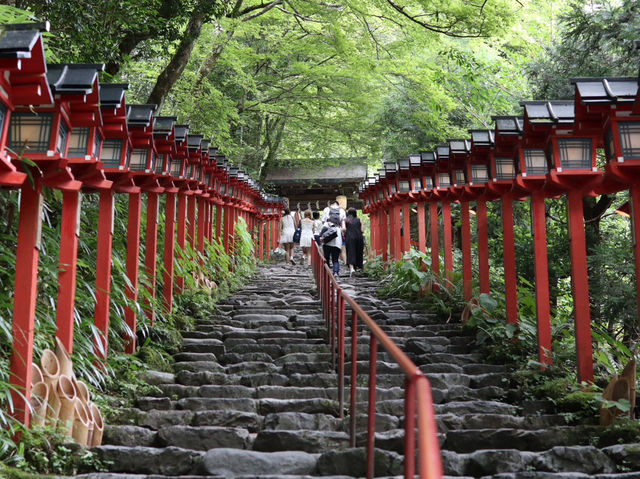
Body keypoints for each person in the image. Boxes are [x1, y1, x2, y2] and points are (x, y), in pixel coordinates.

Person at [321, 200, 346, 277]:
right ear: (338, 205)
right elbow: (344, 227)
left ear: (331, 204)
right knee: (335, 259)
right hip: (337, 236)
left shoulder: (326, 209)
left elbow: (323, 222)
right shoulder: (342, 211)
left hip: (327, 235)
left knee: (326, 257)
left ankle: (327, 273)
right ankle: (335, 272)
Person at [344, 207, 365, 276]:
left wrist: (347, 232)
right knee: (358, 251)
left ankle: (352, 268)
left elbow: (344, 229)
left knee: (350, 251)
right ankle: (359, 267)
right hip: (359, 237)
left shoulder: (345, 220)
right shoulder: (359, 220)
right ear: (355, 213)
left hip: (350, 237)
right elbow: (362, 230)